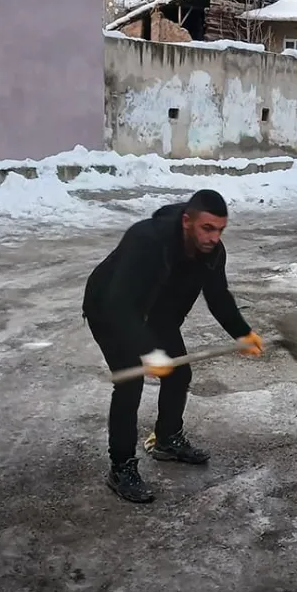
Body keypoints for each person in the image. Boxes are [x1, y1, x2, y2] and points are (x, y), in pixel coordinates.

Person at [82, 189, 263, 503]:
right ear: (186, 221)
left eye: (220, 230)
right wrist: (148, 351)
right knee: (130, 381)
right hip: (110, 307)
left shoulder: (212, 253)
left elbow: (218, 296)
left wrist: (242, 333)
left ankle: (167, 439)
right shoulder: (147, 241)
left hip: (156, 312)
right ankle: (121, 466)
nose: (213, 238)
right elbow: (121, 305)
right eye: (207, 228)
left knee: (178, 373)